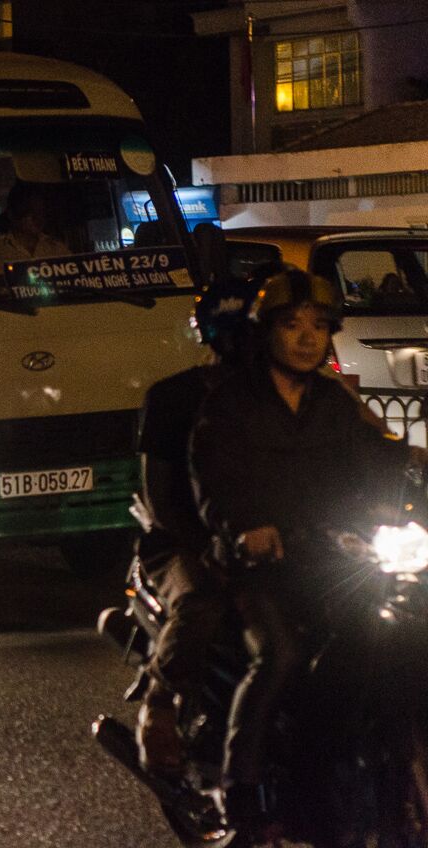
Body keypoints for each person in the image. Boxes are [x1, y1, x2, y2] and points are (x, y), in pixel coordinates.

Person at [190, 267, 417, 827]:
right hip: (260, 566)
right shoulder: (231, 404)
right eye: (292, 325)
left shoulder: (335, 404)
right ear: (267, 331)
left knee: (385, 634)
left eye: (319, 326)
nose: (307, 337)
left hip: (332, 557)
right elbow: (214, 479)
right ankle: (238, 786)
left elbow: (381, 460)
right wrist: (245, 529)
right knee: (280, 655)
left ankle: (336, 757)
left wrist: (410, 485)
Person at [132, 272, 258, 777]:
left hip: (264, 536)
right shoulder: (173, 397)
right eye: (234, 337)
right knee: (202, 602)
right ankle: (161, 704)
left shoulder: (297, 394)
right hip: (186, 542)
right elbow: (161, 496)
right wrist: (210, 545)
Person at [0, 182, 69, 276]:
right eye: (30, 212)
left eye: (40, 212)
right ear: (12, 214)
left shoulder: (56, 248)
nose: (37, 218)